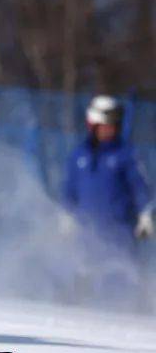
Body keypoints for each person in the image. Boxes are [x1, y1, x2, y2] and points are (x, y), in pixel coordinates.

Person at [63, 95, 153, 255]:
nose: (111, 129)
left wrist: (145, 214)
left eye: (114, 125)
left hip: (120, 236)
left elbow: (140, 187)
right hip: (85, 238)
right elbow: (70, 189)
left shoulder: (127, 154)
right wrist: (66, 216)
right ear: (93, 125)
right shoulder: (78, 155)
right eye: (106, 125)